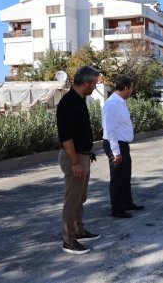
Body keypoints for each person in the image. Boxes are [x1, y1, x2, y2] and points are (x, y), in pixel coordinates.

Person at [56, 65, 102, 254]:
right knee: (72, 199)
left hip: (83, 155)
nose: (95, 87)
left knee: (80, 197)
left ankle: (78, 230)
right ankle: (68, 240)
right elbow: (66, 138)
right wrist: (75, 162)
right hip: (73, 158)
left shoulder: (80, 99)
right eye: (94, 84)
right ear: (85, 83)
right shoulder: (67, 103)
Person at [102, 74, 144, 219]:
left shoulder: (120, 102)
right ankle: (117, 209)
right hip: (115, 144)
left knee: (125, 176)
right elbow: (110, 129)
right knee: (117, 178)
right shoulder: (112, 104)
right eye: (131, 88)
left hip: (122, 144)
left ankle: (127, 203)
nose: (132, 90)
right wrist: (116, 152)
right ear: (126, 88)